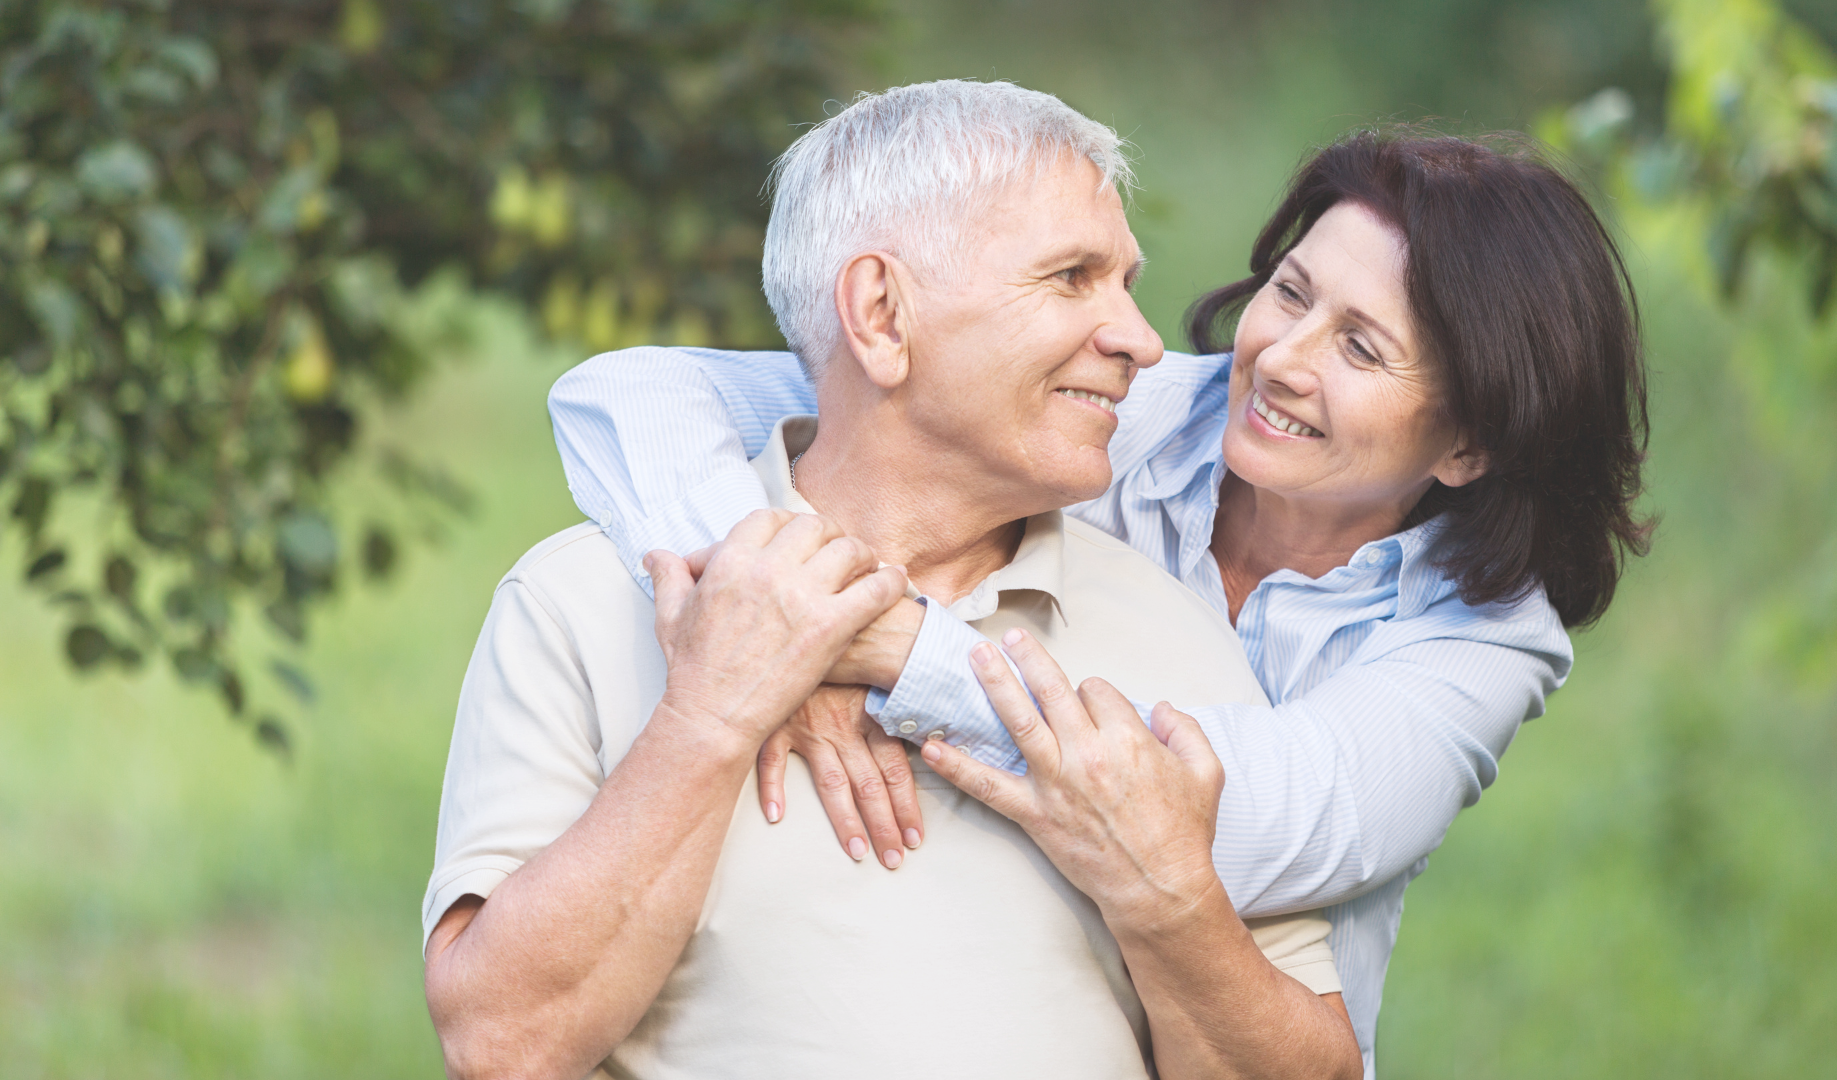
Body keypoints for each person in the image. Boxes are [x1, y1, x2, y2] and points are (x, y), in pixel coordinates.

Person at [547, 117, 1652, 1075]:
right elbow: (630, 394)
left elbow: (1231, 818)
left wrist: (885, 645)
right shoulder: (1109, 413)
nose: (1281, 358)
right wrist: (769, 600)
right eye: (1291, 292)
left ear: (1466, 445)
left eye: (1360, 348)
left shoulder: (1487, 640)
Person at [423, 80, 1361, 1080]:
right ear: (879, 313)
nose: (1140, 339)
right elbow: (502, 1047)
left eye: (1126, 284)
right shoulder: (580, 603)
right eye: (1071, 278)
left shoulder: (1177, 637)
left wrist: (1168, 901)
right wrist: (710, 718)